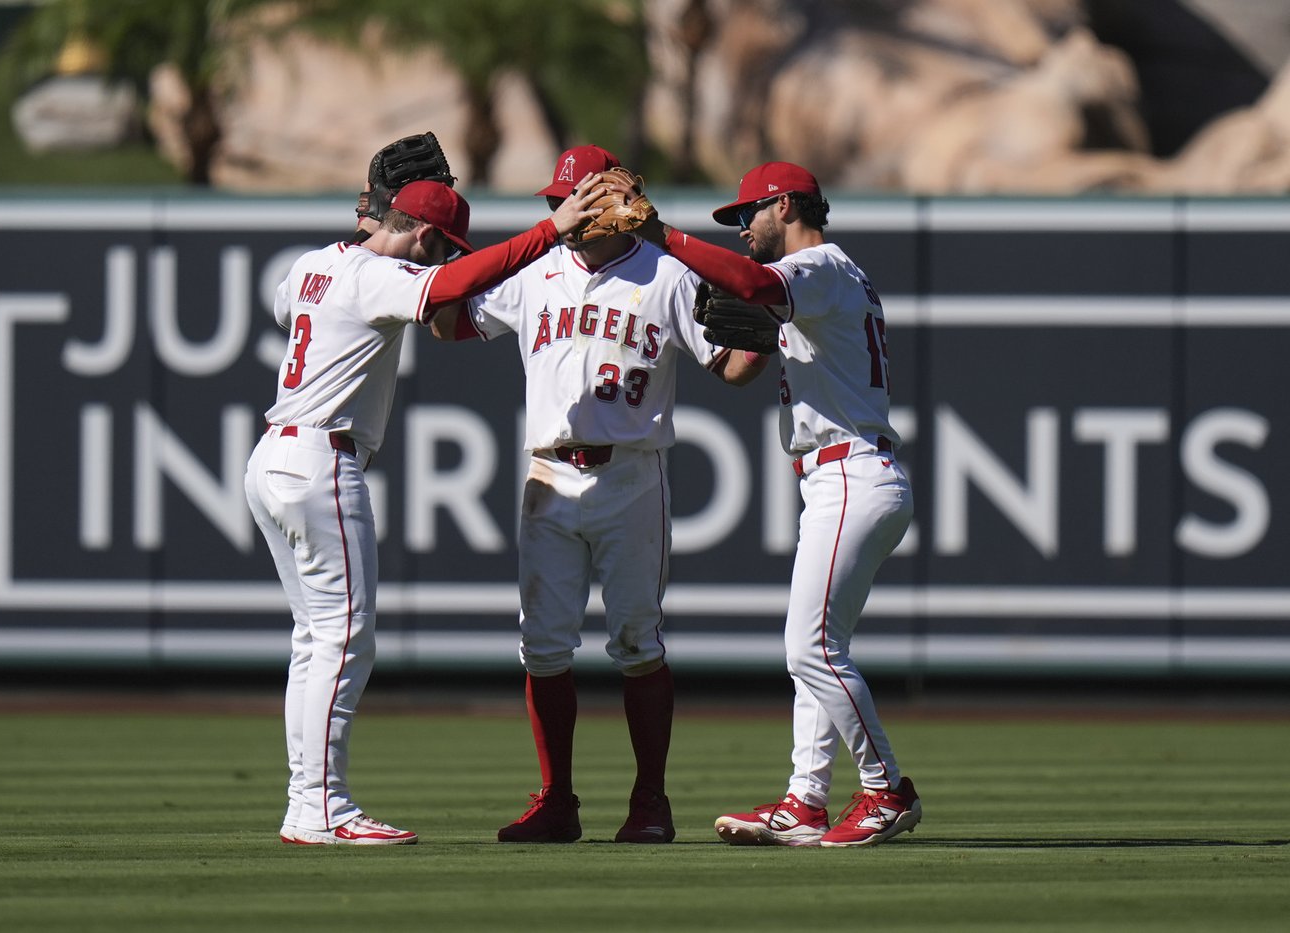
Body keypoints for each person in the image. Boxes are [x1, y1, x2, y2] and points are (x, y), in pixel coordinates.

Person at [246, 178, 602, 846]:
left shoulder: (314, 265)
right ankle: (323, 806)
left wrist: (373, 215)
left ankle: (305, 802)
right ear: (426, 234)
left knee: (314, 638)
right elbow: (450, 285)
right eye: (444, 245)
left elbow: (288, 306)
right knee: (345, 638)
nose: (446, 257)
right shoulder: (378, 277)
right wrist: (548, 233)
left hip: (271, 456)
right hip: (322, 459)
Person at [433, 145, 761, 844]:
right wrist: (439, 254)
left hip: (630, 475)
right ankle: (557, 801)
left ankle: (650, 802)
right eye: (558, 202)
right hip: (548, 475)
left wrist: (765, 334)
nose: (567, 213)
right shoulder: (536, 271)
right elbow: (447, 323)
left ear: (618, 198)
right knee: (542, 645)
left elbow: (732, 367)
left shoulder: (666, 274)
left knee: (637, 640)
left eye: (577, 199)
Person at [617, 161, 920, 847]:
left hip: (851, 473)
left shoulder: (820, 267)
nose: (742, 229)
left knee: (810, 648)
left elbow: (755, 285)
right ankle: (805, 801)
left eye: (747, 213)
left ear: (785, 205)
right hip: (837, 477)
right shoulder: (813, 283)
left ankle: (886, 789)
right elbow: (741, 356)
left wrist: (665, 237)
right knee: (819, 649)